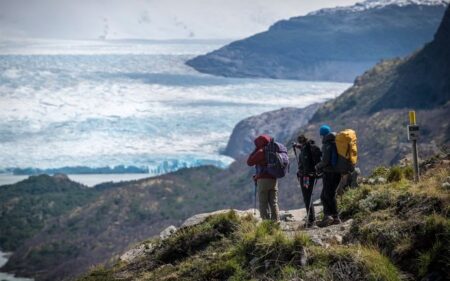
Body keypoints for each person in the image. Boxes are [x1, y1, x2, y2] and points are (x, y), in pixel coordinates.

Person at [247, 134, 280, 222]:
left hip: (263, 180)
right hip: (274, 179)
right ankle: (276, 222)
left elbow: (249, 162)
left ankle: (266, 223)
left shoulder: (261, 152)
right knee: (273, 202)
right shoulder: (274, 150)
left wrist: (255, 150)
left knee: (263, 202)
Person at [315, 125, 342, 227]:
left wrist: (317, 166)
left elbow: (325, 161)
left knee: (327, 195)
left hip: (330, 173)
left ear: (322, 134)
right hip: (337, 173)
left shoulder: (327, 145)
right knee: (327, 195)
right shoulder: (335, 142)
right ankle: (331, 217)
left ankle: (333, 217)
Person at [294, 134, 321, 227]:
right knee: (308, 196)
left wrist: (301, 173)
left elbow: (305, 163)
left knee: (307, 197)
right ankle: (311, 219)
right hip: (312, 176)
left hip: (306, 177)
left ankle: (311, 220)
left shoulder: (305, 149)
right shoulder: (311, 147)